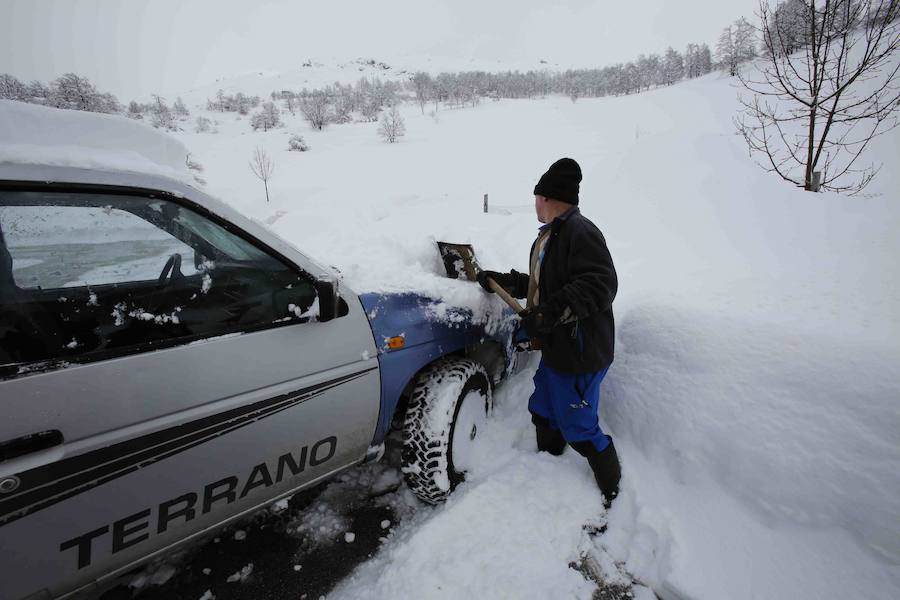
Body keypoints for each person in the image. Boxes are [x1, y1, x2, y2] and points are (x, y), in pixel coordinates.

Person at [477, 157, 621, 508]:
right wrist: (508, 281)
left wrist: (551, 312)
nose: (534, 205)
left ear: (545, 196)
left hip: (580, 355)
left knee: (580, 429)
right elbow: (548, 286)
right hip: (559, 350)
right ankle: (548, 463)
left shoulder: (580, 232)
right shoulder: (552, 235)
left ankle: (613, 492)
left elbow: (601, 284)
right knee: (542, 409)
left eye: (535, 197)